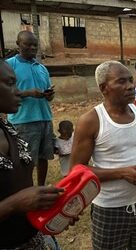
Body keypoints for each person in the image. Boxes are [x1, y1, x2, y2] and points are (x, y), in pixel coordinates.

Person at [70, 61, 136, 250]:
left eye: (130, 80)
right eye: (121, 81)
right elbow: (77, 170)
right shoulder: (91, 121)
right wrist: (122, 173)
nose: (130, 86)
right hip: (109, 209)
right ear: (104, 88)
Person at [0, 60, 64, 249]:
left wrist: (48, 207)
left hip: (33, 239)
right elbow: (17, 200)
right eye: (10, 84)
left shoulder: (7, 128)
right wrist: (13, 204)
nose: (19, 91)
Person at [6, 30, 55, 186]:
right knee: (26, 160)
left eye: (35, 45)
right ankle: (26, 189)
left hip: (45, 118)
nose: (33, 48)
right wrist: (30, 93)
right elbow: (4, 91)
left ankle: (41, 188)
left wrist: (49, 95)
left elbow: (49, 94)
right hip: (23, 121)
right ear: (18, 44)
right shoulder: (9, 65)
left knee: (43, 157)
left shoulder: (41, 68)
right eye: (28, 44)